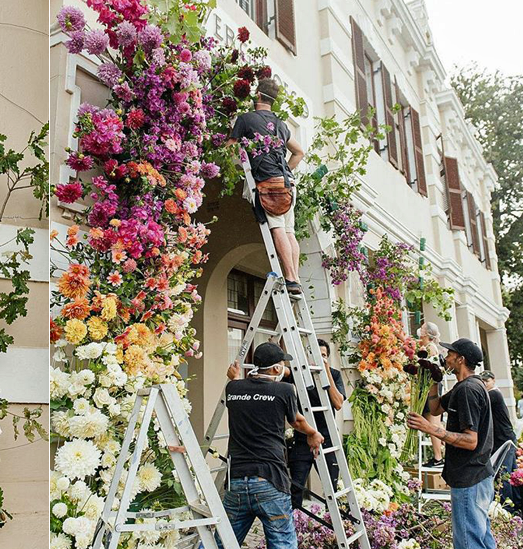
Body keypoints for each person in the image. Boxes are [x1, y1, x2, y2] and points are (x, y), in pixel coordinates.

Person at [224, 342, 323, 548]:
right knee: (282, 544)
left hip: (237, 482)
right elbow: (296, 421)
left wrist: (233, 376)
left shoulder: (233, 387)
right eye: (281, 365)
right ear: (277, 369)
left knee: (222, 542)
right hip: (270, 480)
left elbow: (246, 393)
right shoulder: (285, 389)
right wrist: (313, 433)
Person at [407, 338, 495, 549]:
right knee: (482, 538)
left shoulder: (468, 390)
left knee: (468, 542)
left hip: (470, 478)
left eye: (450, 354)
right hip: (477, 474)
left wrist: (429, 428)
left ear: (460, 359)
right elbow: (436, 408)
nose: (446, 357)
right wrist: (431, 381)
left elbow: (470, 441)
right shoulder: (463, 387)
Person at [228, 78, 306, 294]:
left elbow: (229, 148)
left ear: (258, 95)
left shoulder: (246, 119)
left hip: (269, 183)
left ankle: (290, 277)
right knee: (289, 230)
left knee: (278, 228)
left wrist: (231, 133)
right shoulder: (281, 124)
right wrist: (287, 171)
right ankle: (295, 278)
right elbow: (299, 152)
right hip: (288, 183)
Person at [283, 338, 345, 510]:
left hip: (327, 437)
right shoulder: (299, 374)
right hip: (303, 437)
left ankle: (332, 526)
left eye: (323, 355)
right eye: (315, 355)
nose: (319, 359)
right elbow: (282, 374)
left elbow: (338, 403)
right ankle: (293, 529)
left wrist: (325, 372)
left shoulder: (335, 374)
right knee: (295, 487)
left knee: (332, 488)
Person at [479, 371, 518, 509]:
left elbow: (478, 401)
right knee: (513, 476)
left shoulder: (494, 394)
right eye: (482, 381)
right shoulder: (492, 394)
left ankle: (506, 508)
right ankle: (517, 505)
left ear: (493, 381)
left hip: (505, 441)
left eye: (486, 381)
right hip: (504, 440)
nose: (484, 384)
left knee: (503, 475)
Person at [418, 322, 447, 469]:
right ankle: (439, 454)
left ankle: (438, 457)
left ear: (427, 333)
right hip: (428, 387)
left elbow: (430, 370)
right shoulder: (428, 347)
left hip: (430, 388)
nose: (420, 330)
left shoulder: (430, 348)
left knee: (433, 422)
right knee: (433, 421)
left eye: (422, 328)